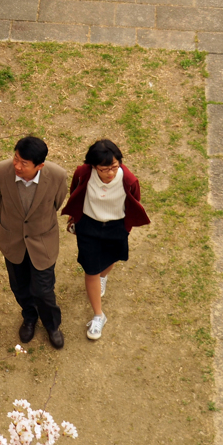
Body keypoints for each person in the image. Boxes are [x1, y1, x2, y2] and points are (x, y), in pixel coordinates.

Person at [61, 139, 150, 341]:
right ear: (94, 166)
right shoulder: (83, 173)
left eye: (114, 167)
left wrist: (126, 226)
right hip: (89, 227)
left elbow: (135, 201)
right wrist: (74, 217)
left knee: (112, 259)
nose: (110, 173)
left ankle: (103, 277)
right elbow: (75, 192)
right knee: (91, 270)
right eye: (104, 169)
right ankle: (98, 316)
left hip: (116, 226)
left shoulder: (128, 180)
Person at [0, 136, 70, 349]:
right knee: (19, 285)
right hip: (12, 240)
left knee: (43, 290)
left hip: (42, 242)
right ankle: (29, 317)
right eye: (16, 158)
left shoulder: (57, 176)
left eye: (24, 163)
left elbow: (56, 203)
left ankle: (52, 325)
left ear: (40, 166)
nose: (17, 165)